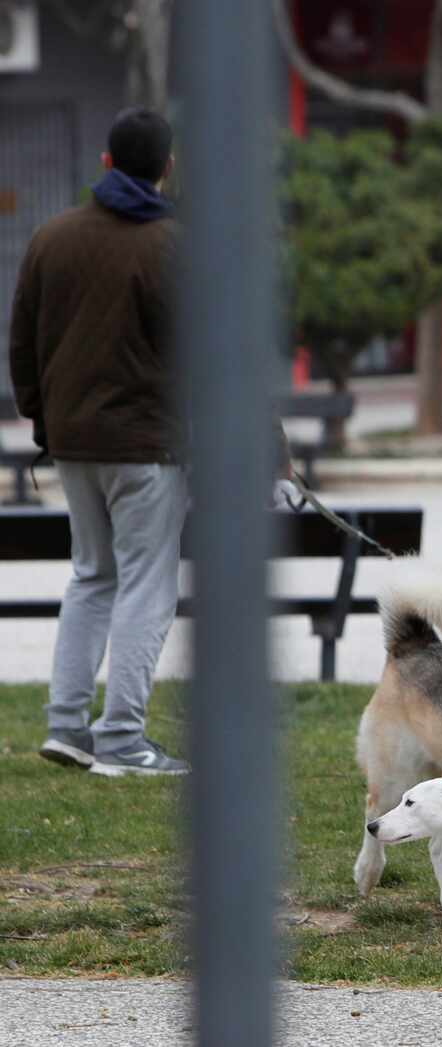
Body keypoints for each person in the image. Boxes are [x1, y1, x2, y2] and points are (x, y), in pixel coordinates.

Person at [9, 107, 191, 776]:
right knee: (147, 585)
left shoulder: (51, 237)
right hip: (146, 446)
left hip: (73, 443)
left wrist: (44, 421)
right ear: (166, 170)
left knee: (92, 576)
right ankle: (121, 738)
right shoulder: (172, 244)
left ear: (106, 164)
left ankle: (67, 725)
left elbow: (22, 343)